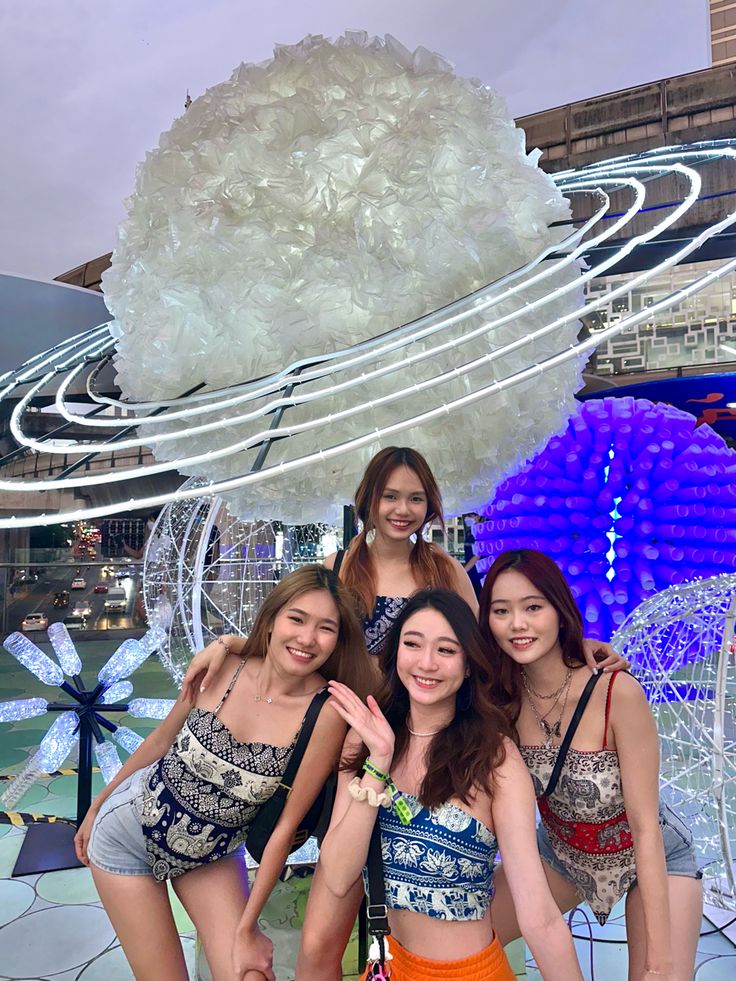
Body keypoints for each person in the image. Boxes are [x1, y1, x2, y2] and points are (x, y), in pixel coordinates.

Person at [181, 446, 626, 979]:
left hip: (421, 747)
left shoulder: (442, 571)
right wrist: (232, 644)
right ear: (368, 499)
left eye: (416, 498)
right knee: (326, 928)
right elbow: (299, 637)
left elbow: (492, 637)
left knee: (410, 887)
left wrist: (575, 646)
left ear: (430, 506)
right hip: (349, 748)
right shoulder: (340, 568)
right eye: (390, 495)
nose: (402, 508)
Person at [74, 565, 376, 981]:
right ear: (271, 621)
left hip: (211, 855)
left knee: (248, 972)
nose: (307, 638)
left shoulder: (324, 712)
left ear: (338, 641)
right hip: (126, 834)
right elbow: (160, 741)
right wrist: (96, 807)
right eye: (297, 618)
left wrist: (247, 927)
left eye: (326, 628)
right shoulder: (226, 664)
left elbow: (285, 829)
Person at [319, 589, 584, 981]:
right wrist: (378, 764)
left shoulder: (494, 758)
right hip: (388, 967)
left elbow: (537, 913)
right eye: (412, 644)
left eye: (446, 650)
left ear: (469, 665)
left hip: (468, 973)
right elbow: (339, 878)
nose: (426, 663)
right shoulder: (368, 739)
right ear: (395, 654)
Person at [479, 549, 703, 981]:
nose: (518, 624)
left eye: (533, 607)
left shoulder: (616, 692)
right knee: (471, 931)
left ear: (560, 612)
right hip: (563, 852)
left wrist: (659, 961)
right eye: (501, 611)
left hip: (651, 856)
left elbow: (645, 830)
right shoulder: (499, 696)